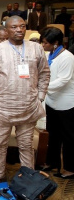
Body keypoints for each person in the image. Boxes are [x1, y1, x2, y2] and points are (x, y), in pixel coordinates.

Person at [0, 16, 50, 183]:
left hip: (28, 105)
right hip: (2, 105)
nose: (19, 30)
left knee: (26, 145)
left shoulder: (36, 48)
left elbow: (44, 73)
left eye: (22, 26)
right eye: (14, 27)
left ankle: (28, 178)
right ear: (6, 30)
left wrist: (40, 97)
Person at [39, 28, 74, 179]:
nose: (42, 44)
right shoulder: (49, 54)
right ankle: (52, 162)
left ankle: (70, 168)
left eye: (45, 42)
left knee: (68, 137)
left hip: (66, 103)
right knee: (52, 134)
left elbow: (64, 80)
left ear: (56, 43)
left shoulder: (67, 57)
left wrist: (42, 87)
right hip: (52, 100)